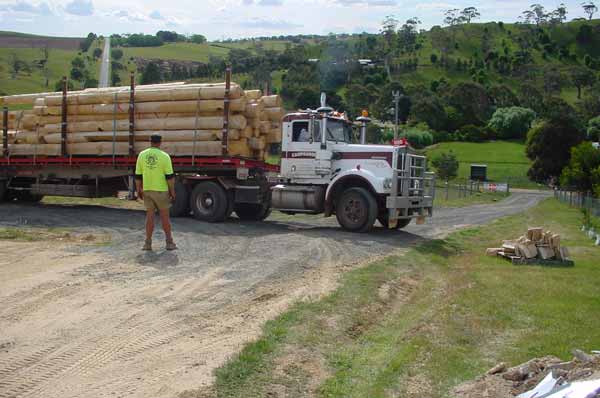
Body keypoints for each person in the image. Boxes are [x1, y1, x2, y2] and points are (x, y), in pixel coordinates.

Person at [135, 134, 177, 251]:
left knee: (150, 217)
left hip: (147, 190)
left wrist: (138, 190)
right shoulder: (165, 156)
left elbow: (138, 176)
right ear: (160, 142)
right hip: (161, 191)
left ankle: (147, 244)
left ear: (150, 141)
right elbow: (169, 177)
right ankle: (169, 242)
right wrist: (172, 191)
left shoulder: (142, 155)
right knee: (165, 218)